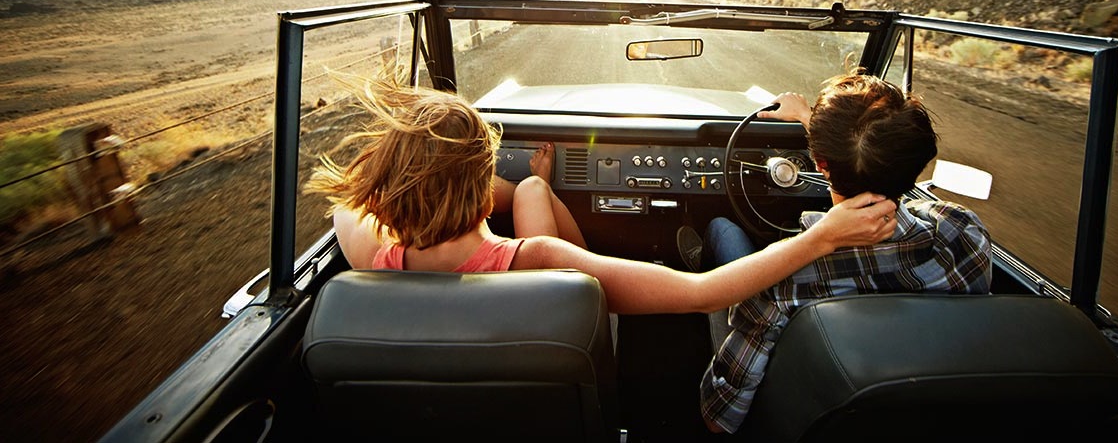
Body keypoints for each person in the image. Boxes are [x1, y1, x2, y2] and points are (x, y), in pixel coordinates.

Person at [309, 82, 900, 315]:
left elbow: (349, 205)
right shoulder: (544, 260)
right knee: (545, 201)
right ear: (481, 183)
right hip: (565, 347)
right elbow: (700, 294)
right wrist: (821, 233)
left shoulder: (369, 253)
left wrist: (407, 178)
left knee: (535, 189)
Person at [686, 71, 993, 434]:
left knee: (723, 230)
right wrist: (811, 122)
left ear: (819, 165)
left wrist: (815, 129)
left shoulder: (783, 282)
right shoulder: (963, 231)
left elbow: (718, 419)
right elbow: (877, 158)